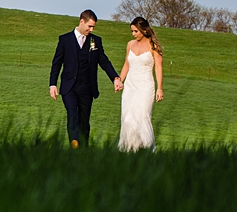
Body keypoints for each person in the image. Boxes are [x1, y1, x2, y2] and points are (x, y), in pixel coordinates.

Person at [49, 10, 122, 148]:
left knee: (84, 121)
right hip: (69, 87)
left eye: (93, 27)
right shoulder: (64, 40)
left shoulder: (96, 41)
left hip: (87, 89)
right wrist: (52, 84)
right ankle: (74, 142)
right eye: (89, 26)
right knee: (72, 114)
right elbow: (57, 63)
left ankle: (84, 149)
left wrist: (115, 78)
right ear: (81, 21)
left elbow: (104, 61)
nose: (91, 29)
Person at [117, 16, 164, 151]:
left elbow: (158, 68)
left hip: (145, 86)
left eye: (136, 31)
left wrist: (160, 88)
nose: (133, 34)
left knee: (142, 116)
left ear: (144, 30)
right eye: (132, 31)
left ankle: (147, 148)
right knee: (127, 117)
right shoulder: (130, 44)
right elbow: (126, 64)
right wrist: (120, 80)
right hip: (130, 86)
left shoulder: (153, 46)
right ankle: (129, 148)